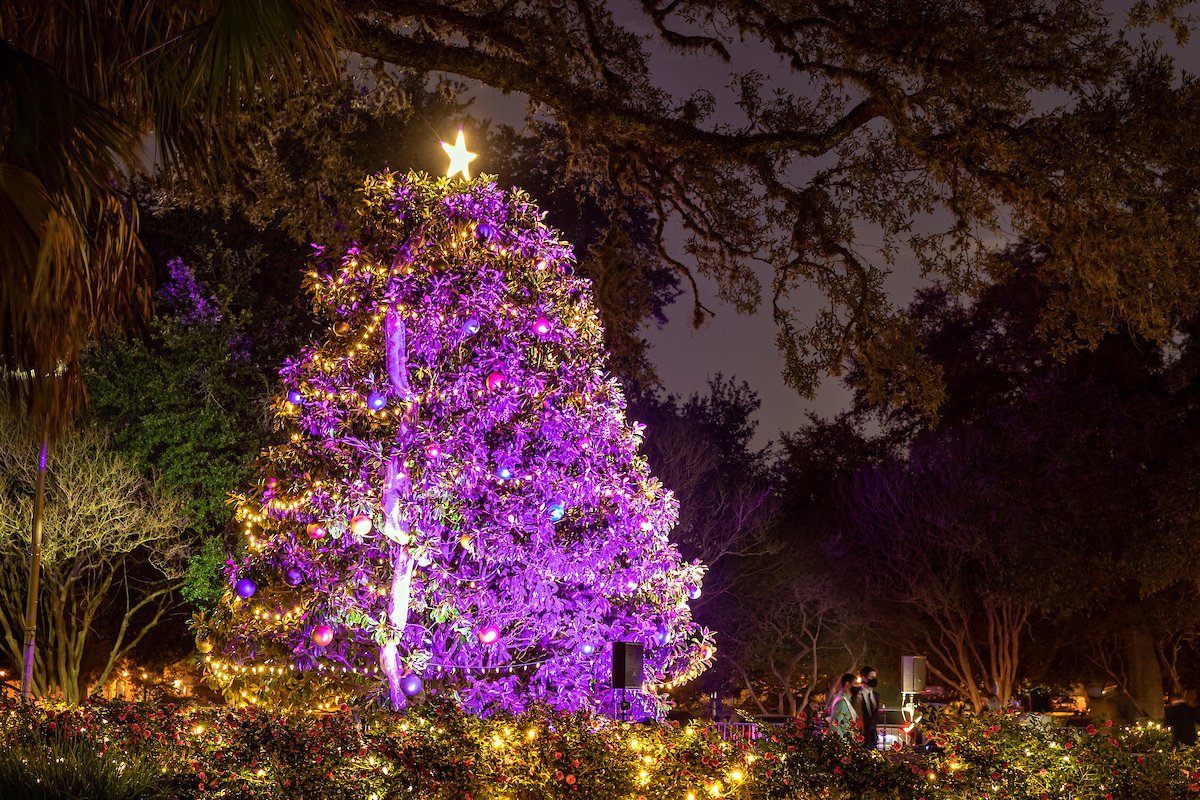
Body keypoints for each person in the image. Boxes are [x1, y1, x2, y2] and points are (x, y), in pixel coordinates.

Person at [854, 666, 881, 749]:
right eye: (871, 677)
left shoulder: (876, 695)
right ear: (863, 678)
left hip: (873, 737)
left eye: (874, 677)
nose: (873, 679)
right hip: (860, 735)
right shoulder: (856, 694)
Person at [827, 673, 859, 737]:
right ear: (847, 684)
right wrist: (843, 741)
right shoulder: (841, 702)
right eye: (855, 683)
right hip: (845, 742)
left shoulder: (847, 701)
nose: (857, 686)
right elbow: (834, 725)